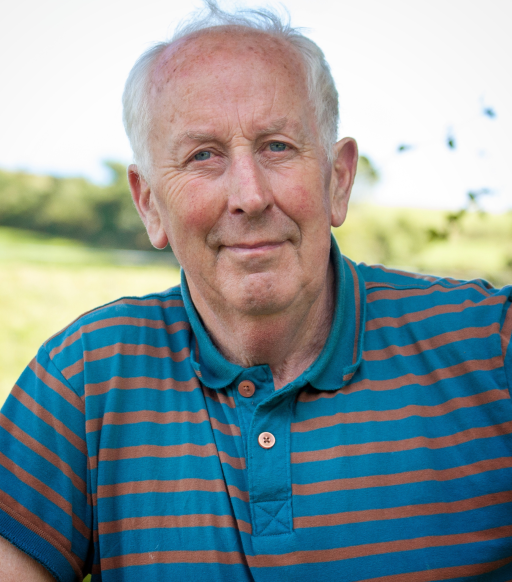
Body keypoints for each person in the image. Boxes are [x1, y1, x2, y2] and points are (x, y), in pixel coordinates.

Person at [1, 2, 512, 580]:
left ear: (338, 179)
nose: (250, 195)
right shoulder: (85, 376)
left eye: (277, 147)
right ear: (149, 205)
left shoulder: (491, 349)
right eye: (203, 155)